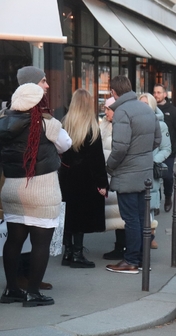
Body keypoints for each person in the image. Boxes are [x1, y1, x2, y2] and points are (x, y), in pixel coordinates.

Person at [0, 83, 72, 306]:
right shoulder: (47, 124)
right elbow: (66, 145)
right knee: (40, 242)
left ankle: (11, 289)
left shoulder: (3, 123)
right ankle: (32, 292)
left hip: (12, 187)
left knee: (13, 240)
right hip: (42, 189)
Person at [106, 75, 161, 274]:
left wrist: (109, 166)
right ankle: (142, 259)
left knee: (131, 219)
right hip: (144, 171)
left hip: (127, 173)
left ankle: (131, 260)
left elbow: (120, 148)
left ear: (113, 92)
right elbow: (157, 139)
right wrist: (142, 153)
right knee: (140, 218)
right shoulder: (146, 109)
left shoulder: (121, 112)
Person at [59, 89, 108, 269]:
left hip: (66, 175)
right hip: (85, 177)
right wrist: (102, 183)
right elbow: (97, 159)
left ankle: (68, 252)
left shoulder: (65, 123)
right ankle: (78, 254)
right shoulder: (91, 127)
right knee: (81, 214)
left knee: (68, 213)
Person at [139, 93, 171, 249]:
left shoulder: (161, 125)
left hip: (151, 170)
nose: (143, 106)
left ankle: (149, 236)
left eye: (146, 103)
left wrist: (153, 161)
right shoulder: (135, 122)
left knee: (149, 205)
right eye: (141, 103)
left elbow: (166, 149)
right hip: (135, 169)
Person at [100, 97, 126, 261]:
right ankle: (120, 246)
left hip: (116, 173)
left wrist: (110, 167)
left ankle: (122, 247)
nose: (106, 112)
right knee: (117, 215)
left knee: (121, 215)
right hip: (108, 175)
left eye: (109, 109)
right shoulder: (104, 125)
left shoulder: (121, 126)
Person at [153, 84, 176, 213]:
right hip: (153, 150)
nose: (156, 95)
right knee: (154, 177)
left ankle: (167, 197)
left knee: (167, 176)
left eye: (159, 92)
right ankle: (156, 203)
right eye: (155, 92)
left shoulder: (172, 111)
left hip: (168, 151)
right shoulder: (150, 110)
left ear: (165, 94)